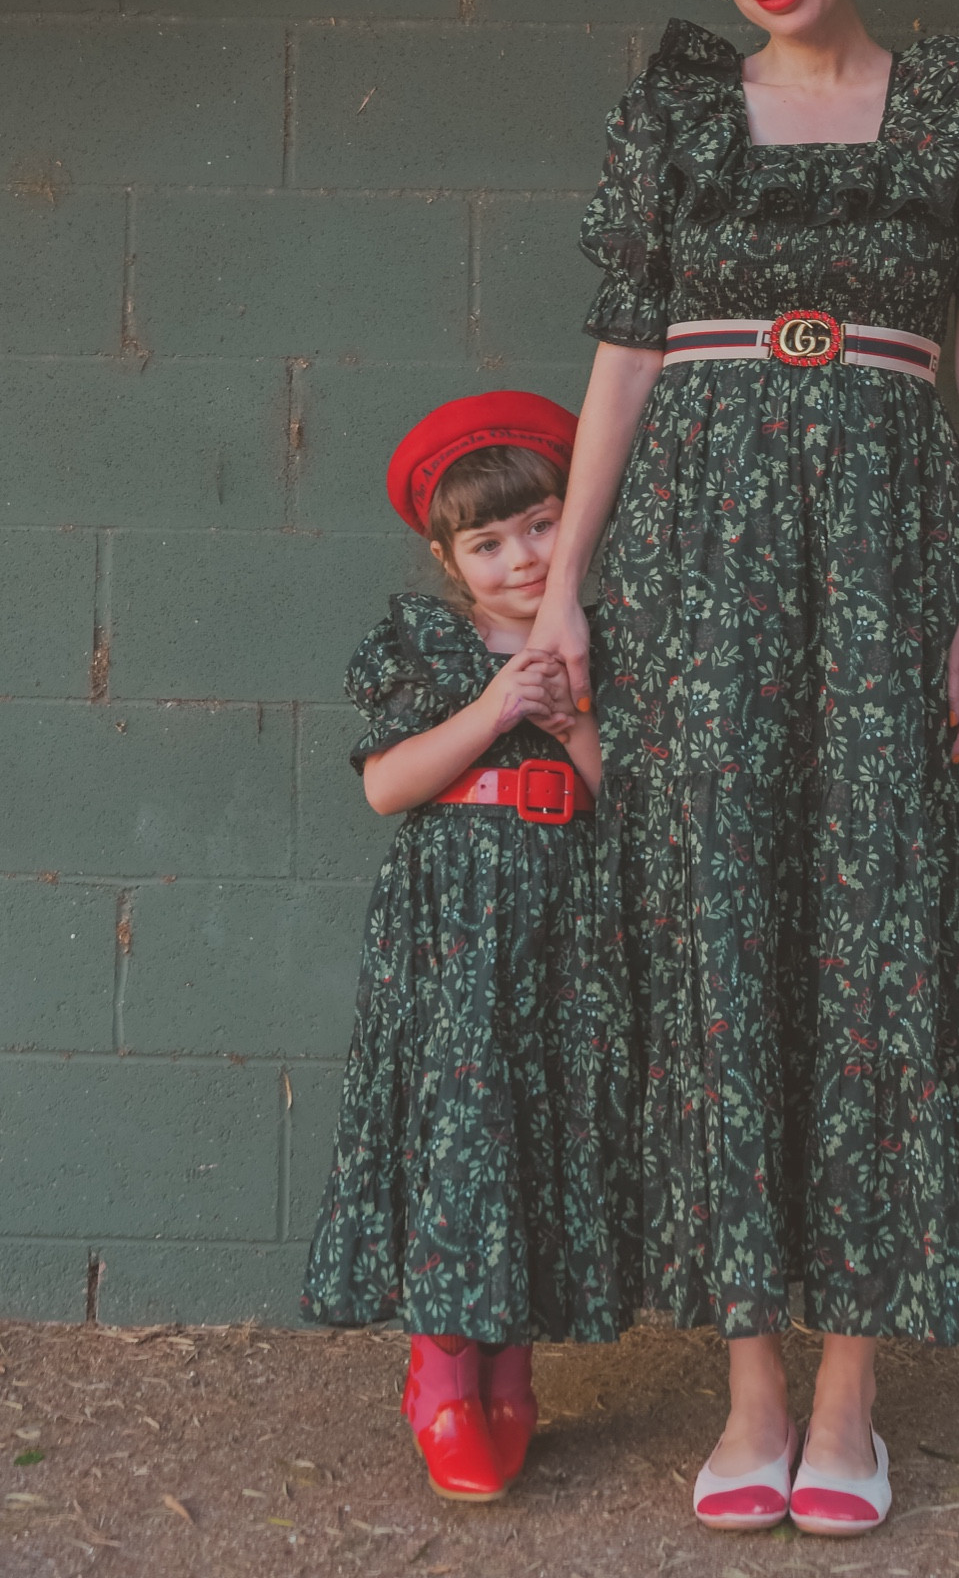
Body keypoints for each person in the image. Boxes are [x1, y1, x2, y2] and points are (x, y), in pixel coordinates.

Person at [528, 0, 959, 1537]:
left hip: (894, 564)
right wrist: (571, 588)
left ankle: (849, 1395)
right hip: (697, 561)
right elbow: (617, 356)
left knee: (879, 939)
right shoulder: (670, 118)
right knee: (716, 934)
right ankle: (746, 1385)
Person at [301, 391, 633, 1503]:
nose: (521, 556)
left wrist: (575, 698)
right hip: (451, 925)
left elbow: (617, 793)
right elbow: (389, 785)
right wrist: (497, 705)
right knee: (459, 1125)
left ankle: (512, 1358)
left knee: (537, 1124)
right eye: (487, 543)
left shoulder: (610, 632)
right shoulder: (421, 639)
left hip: (563, 915)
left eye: (540, 523)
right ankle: (442, 1368)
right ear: (448, 555)